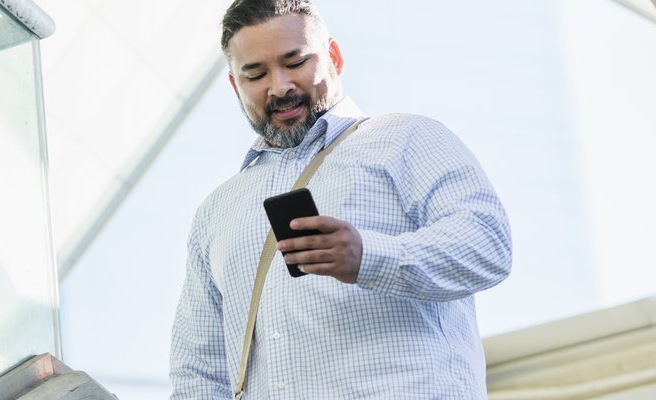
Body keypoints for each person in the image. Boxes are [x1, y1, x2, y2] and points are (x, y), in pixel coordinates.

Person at [169, 0, 512, 398]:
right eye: (256, 74)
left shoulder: (407, 138)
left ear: (333, 56)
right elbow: (198, 370)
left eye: (295, 62)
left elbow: (489, 245)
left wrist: (367, 257)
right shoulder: (216, 212)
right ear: (235, 85)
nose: (279, 87)